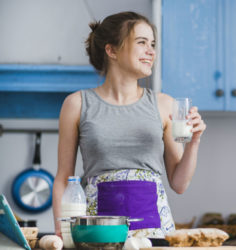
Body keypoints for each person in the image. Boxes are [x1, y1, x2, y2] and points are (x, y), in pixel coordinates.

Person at [52, 11, 206, 238]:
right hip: (97, 234)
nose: (151, 51)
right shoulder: (76, 104)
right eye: (141, 42)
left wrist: (194, 142)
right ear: (111, 50)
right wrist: (61, 231)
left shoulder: (165, 105)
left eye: (152, 44)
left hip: (155, 235)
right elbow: (64, 177)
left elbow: (179, 183)